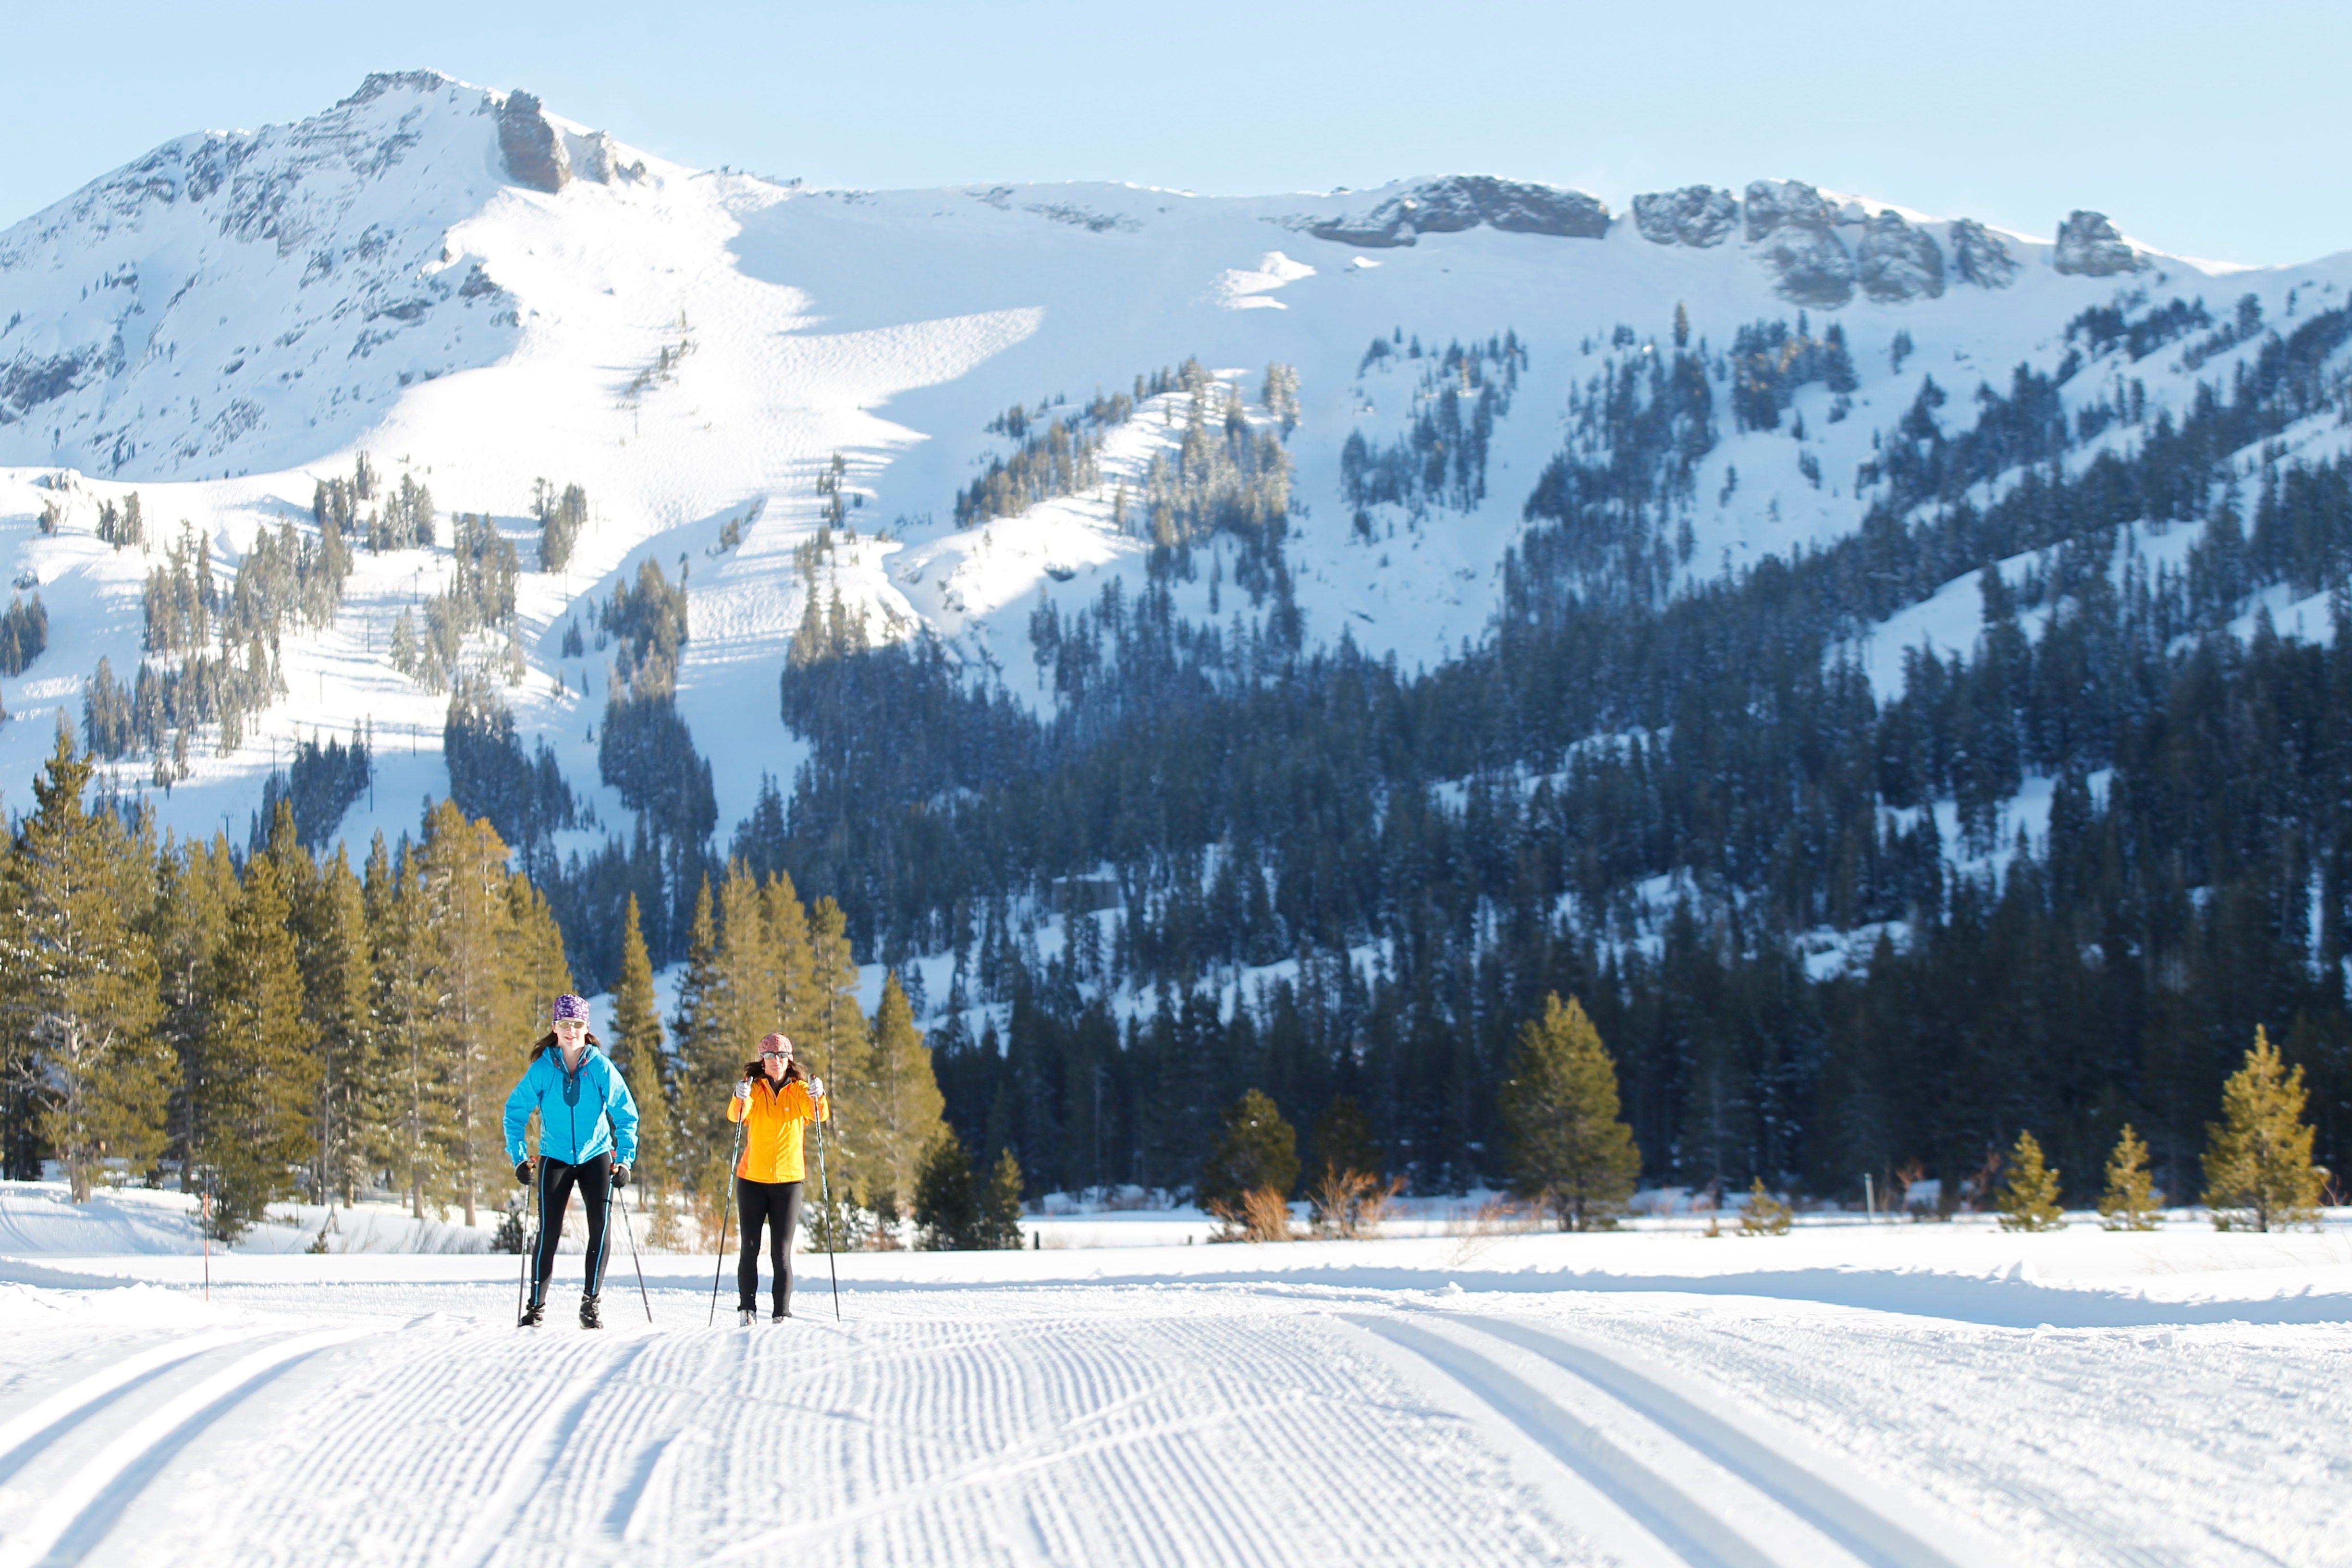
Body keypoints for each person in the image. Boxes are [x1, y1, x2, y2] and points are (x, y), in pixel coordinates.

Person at [504, 993, 640, 1329]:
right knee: (548, 1232)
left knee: (601, 1230)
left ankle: (590, 1304)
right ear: (554, 1027)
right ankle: (535, 1307)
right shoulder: (543, 1068)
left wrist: (624, 1160)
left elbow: (626, 1115)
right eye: (564, 1024)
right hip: (555, 1157)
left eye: (577, 1024)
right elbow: (514, 1112)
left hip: (596, 1156)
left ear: (586, 1027)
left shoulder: (600, 1067)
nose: (570, 1031)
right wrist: (519, 1158)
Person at [728, 1032, 829, 1324]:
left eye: (782, 1056)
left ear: (790, 1059)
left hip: (788, 1180)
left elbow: (818, 1115)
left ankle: (781, 1313)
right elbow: (737, 1116)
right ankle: (747, 1309)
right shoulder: (754, 1088)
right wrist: (739, 1096)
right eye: (771, 1056)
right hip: (752, 1179)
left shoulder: (799, 1090)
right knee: (749, 1247)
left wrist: (818, 1095)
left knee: (781, 1252)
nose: (776, 1061)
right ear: (762, 1060)